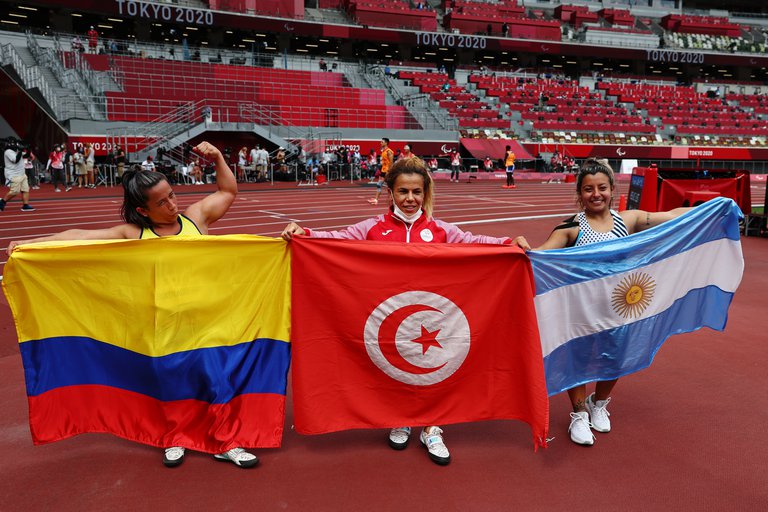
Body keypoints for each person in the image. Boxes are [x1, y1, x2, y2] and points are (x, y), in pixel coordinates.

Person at [7, 142, 258, 468]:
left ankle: (226, 442)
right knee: (168, 384)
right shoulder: (133, 233)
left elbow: (228, 190)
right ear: (143, 210)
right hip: (161, 325)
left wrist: (219, 157)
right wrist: (30, 243)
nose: (171, 205)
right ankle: (174, 436)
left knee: (215, 381)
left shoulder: (195, 220)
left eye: (172, 195)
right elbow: (79, 236)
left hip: (207, 321)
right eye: (162, 202)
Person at [281, 157, 525, 465]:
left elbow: (473, 242)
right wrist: (305, 233)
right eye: (403, 192)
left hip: (432, 315)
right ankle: (400, 417)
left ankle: (432, 426)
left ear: (425, 193)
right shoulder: (372, 228)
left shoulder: (440, 230)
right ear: (390, 192)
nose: (410, 199)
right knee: (393, 366)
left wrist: (507, 243)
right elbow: (337, 238)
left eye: (416, 192)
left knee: (435, 369)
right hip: (389, 315)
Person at [515, 158, 691, 447]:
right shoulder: (570, 228)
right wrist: (523, 249)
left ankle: (600, 403)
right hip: (581, 311)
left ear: (612, 189)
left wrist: (710, 208)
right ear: (579, 194)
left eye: (602, 188)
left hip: (619, 309)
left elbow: (672, 216)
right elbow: (540, 256)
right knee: (579, 360)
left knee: (617, 358)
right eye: (588, 189)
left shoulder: (629, 220)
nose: (595, 194)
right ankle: (579, 413)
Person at [1, 139, 35, 212]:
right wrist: (20, 150)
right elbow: (15, 160)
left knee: (25, 189)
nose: (16, 144)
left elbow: (26, 156)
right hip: (13, 174)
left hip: (22, 173)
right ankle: (2, 202)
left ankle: (25, 205)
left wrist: (28, 149)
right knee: (15, 191)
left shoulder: (17, 150)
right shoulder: (8, 152)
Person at [367, 138, 394, 205]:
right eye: (380, 142)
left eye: (382, 142)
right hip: (383, 170)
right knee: (379, 185)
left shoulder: (389, 151)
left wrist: (389, 171)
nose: (380, 143)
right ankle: (376, 199)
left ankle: (394, 199)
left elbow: (391, 162)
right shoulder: (383, 151)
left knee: (390, 186)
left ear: (386, 143)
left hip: (388, 171)